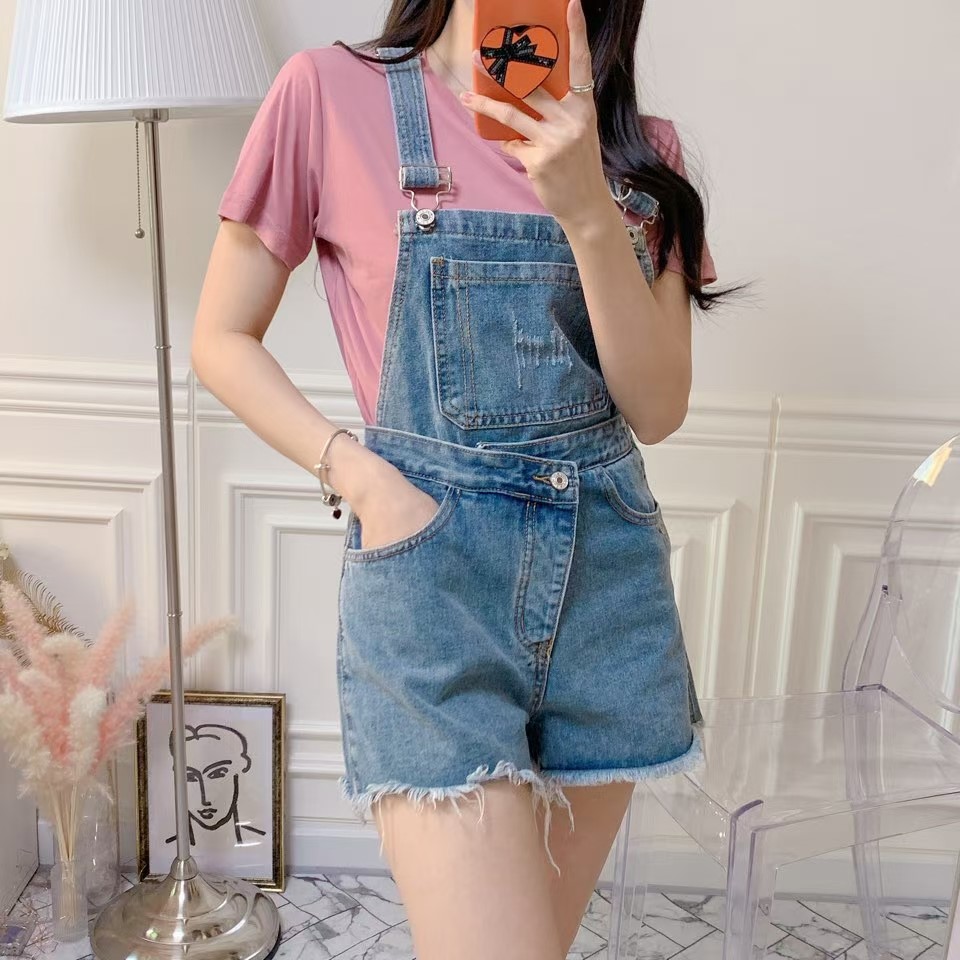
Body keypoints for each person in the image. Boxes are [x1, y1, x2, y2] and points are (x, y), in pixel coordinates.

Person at [191, 1, 732, 957]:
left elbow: (656, 408)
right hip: (432, 581)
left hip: (605, 590)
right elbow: (221, 337)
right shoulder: (329, 94)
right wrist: (363, 480)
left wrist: (587, 207)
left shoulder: (642, 152)